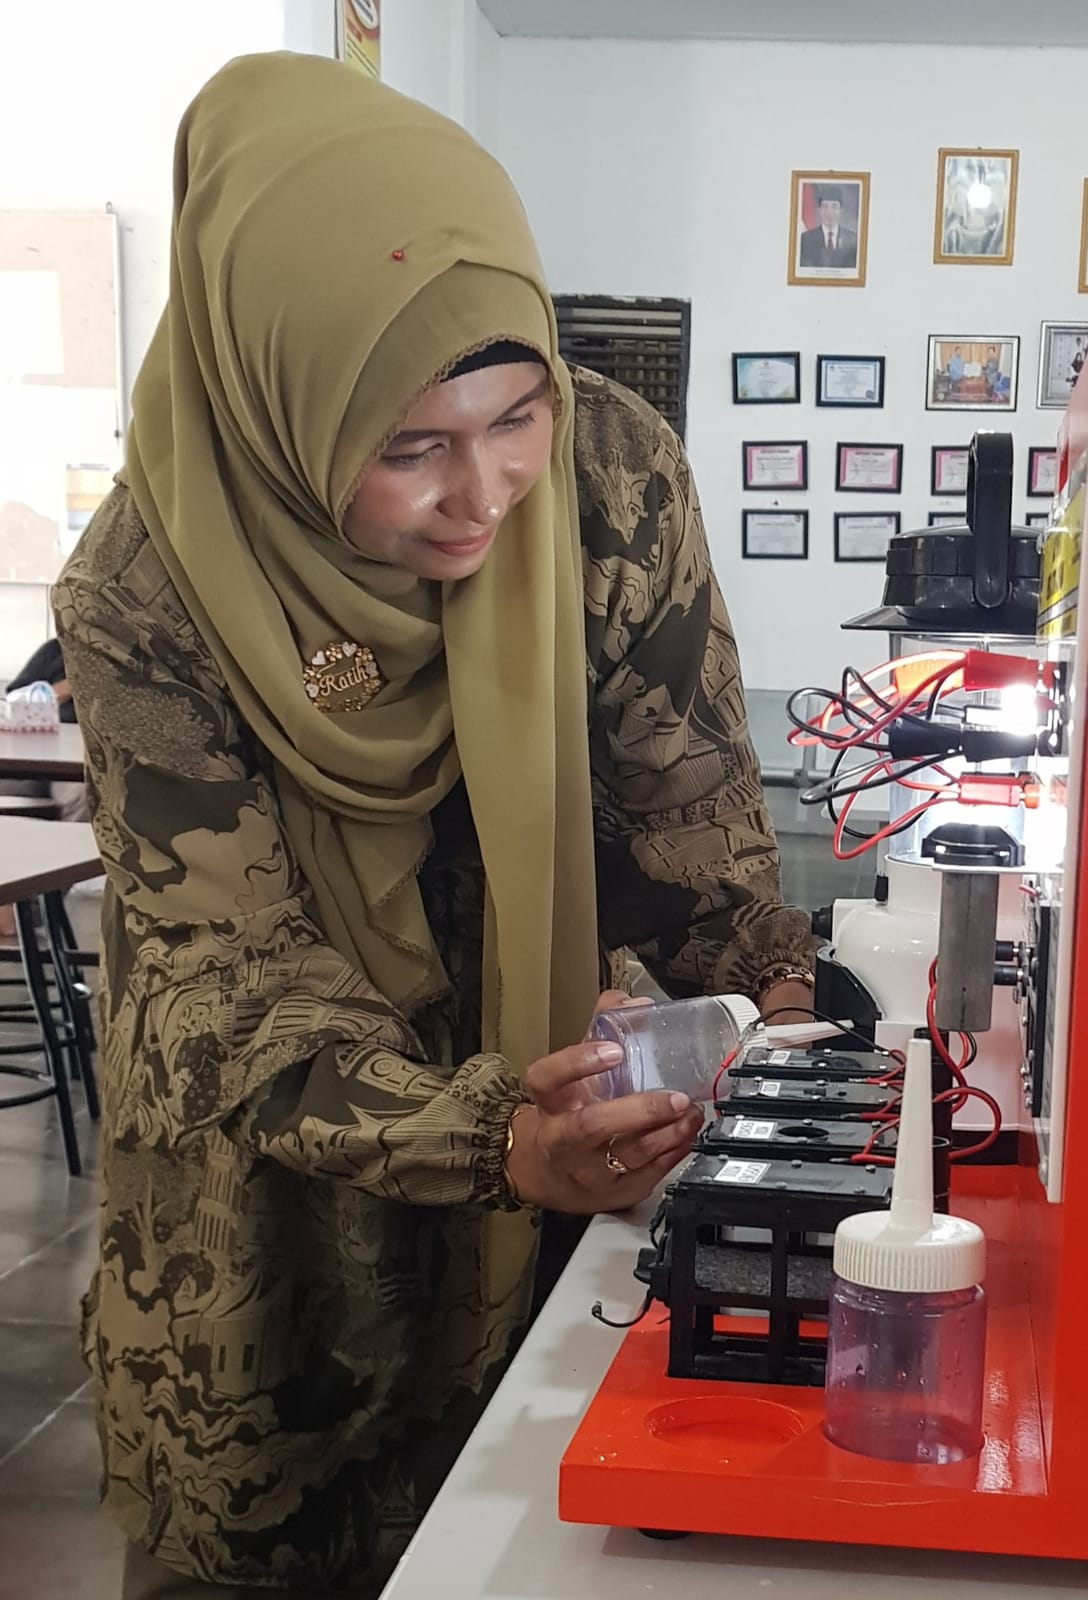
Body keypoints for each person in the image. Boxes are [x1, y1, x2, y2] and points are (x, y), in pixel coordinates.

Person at [52, 54, 815, 1598]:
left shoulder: (606, 477)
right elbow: (226, 974)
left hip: (555, 1124)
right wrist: (491, 1134)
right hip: (273, 1204)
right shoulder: (148, 589)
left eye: (514, 414)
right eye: (409, 448)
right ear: (279, 402)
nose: (484, 495)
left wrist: (784, 1020)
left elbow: (688, 816)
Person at [0, 638, 87, 937]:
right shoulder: (56, 650)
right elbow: (15, 700)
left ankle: (31, 909)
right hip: (31, 749)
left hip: (81, 762)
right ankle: (5, 902)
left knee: (83, 799)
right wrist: (65, 688)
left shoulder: (130, 659)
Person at [797, 183, 858, 269]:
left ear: (841, 210)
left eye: (834, 207)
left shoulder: (852, 239)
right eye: (825, 207)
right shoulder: (806, 239)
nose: (829, 212)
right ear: (819, 210)